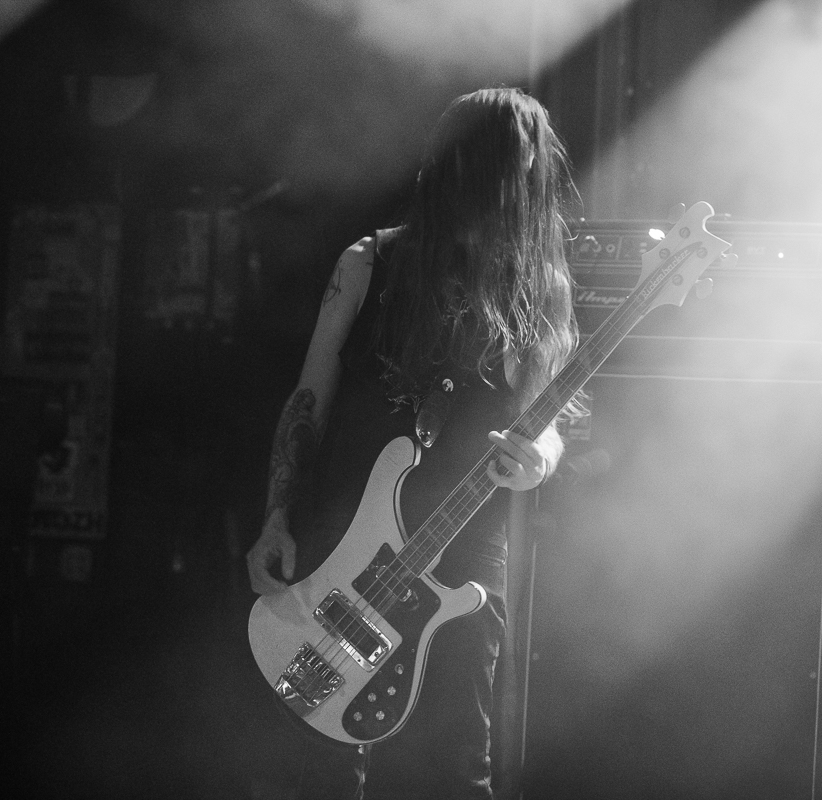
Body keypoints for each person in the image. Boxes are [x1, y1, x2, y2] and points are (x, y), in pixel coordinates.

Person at [245, 87, 580, 799]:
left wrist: (539, 460)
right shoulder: (368, 264)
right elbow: (310, 398)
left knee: (448, 773)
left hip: (460, 561)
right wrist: (278, 516)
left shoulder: (540, 288)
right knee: (314, 763)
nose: (511, 188)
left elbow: (544, 420)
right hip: (342, 542)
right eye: (499, 168)